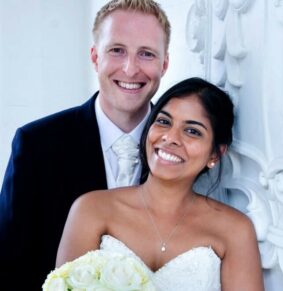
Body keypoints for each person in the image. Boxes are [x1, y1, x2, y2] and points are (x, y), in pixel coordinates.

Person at [0, 0, 170, 289]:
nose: (130, 69)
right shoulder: (36, 145)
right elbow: (8, 266)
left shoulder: (181, 150)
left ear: (164, 64)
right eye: (117, 50)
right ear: (94, 57)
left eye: (146, 54)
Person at [56, 77, 265, 290]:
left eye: (192, 131)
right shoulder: (91, 208)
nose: (170, 137)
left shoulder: (235, 231)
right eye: (164, 121)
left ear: (215, 153)